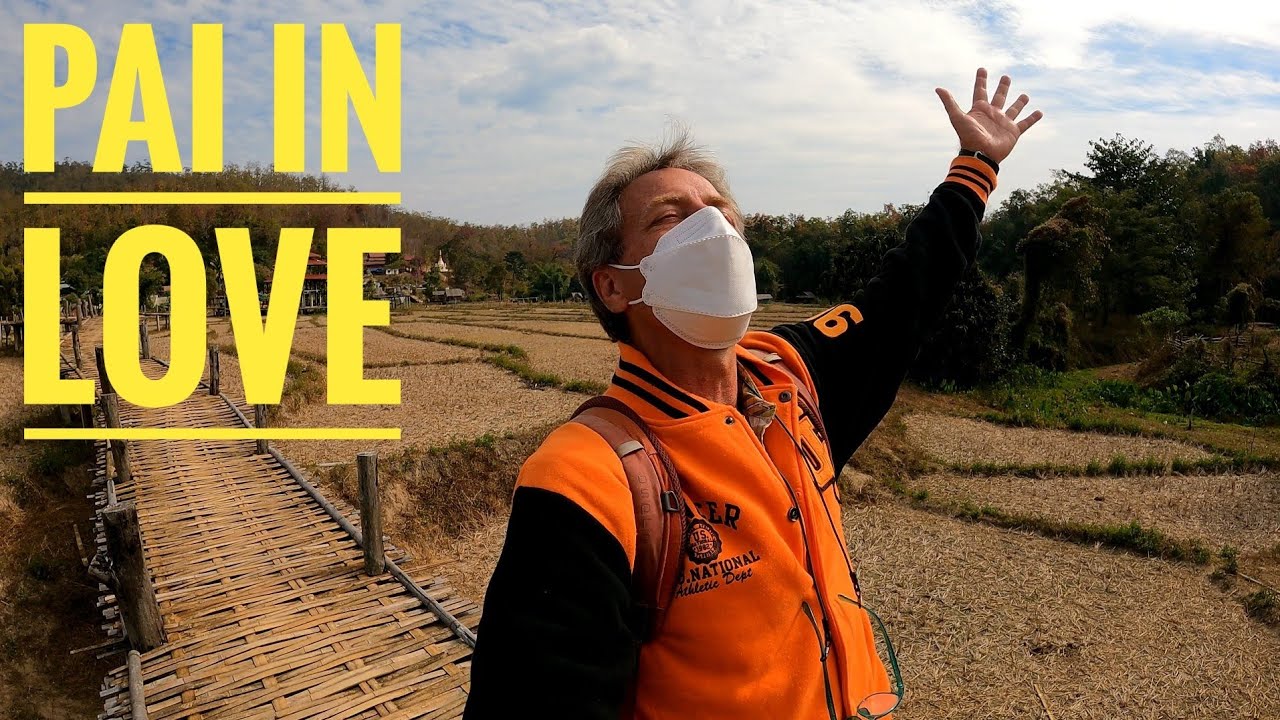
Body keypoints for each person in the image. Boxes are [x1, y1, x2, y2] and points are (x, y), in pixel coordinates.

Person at [463, 68, 1042, 719]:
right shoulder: (584, 476)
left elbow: (908, 291)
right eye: (670, 216)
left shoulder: (790, 376)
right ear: (613, 284)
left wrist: (976, 165)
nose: (709, 227)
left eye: (721, 212)